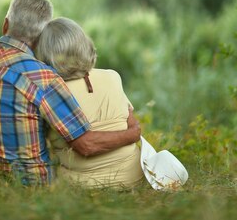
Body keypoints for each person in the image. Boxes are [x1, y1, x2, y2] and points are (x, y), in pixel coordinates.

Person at [0, 0, 141, 185]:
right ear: (43, 37)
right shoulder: (44, 77)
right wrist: (133, 134)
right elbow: (85, 144)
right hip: (29, 182)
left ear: (5, 25)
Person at [35, 17, 188, 189]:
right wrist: (130, 135)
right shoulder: (112, 76)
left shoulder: (48, 93)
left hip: (83, 186)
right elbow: (134, 127)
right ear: (83, 45)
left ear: (44, 54)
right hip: (135, 178)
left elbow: (45, 145)